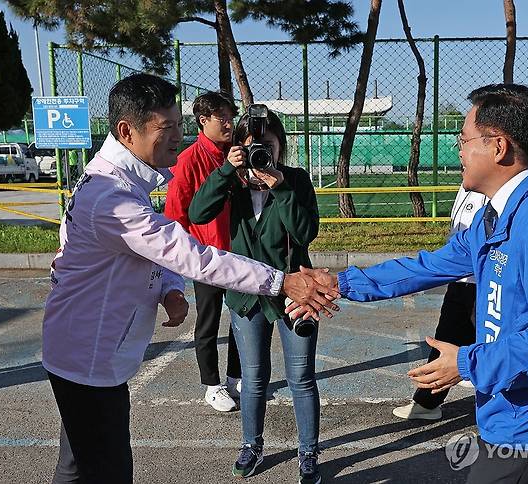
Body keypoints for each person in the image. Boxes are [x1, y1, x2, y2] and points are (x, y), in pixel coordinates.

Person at [293, 84, 528, 483]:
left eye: (464, 139)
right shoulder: (499, 213)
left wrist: (466, 363)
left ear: (499, 147)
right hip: (513, 416)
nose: (459, 149)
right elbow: (429, 265)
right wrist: (341, 282)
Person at [43, 73, 338, 484]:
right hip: (89, 359)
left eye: (181, 125)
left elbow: (145, 246)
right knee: (106, 471)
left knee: (76, 467)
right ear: (128, 131)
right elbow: (192, 255)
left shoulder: (112, 180)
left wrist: (167, 288)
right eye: (169, 128)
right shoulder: (111, 196)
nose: (180, 137)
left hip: (83, 350)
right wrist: (284, 282)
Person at [188, 108, 323, 484]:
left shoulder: (294, 180)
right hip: (247, 297)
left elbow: (304, 232)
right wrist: (227, 170)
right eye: (252, 149)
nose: (262, 154)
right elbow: (198, 213)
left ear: (280, 146)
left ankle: (308, 451)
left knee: (301, 378)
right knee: (253, 377)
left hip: (295, 293)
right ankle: (251, 444)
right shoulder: (233, 183)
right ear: (239, 150)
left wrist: (278, 185)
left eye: (268, 146)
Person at [165, 91, 244, 412]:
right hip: (207, 256)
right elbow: (175, 214)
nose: (229, 123)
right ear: (203, 120)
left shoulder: (238, 154)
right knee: (208, 321)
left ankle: (238, 378)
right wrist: (188, 256)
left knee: (243, 317)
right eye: (222, 117)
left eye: (231, 117)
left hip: (240, 251)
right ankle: (212, 385)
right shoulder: (189, 160)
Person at [392, 184, 486, 420]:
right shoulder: (469, 184)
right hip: (461, 277)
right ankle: (428, 400)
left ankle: (428, 401)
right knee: (449, 337)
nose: (461, 152)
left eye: (466, 144)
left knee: (457, 337)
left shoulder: (496, 189)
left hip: (477, 279)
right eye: (460, 144)